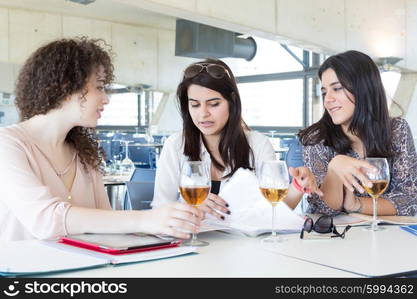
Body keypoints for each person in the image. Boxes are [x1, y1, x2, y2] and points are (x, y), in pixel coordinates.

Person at [0, 37, 203, 241]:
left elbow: (106, 226)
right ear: (66, 87)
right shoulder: (8, 144)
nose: (106, 98)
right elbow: (45, 220)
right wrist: (144, 219)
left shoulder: (84, 152)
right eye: (99, 86)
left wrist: (169, 222)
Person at [152, 58, 322, 219]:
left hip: (244, 245)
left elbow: (274, 211)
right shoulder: (175, 146)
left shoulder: (258, 145)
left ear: (232, 102)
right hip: (193, 243)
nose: (203, 113)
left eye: (214, 104)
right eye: (194, 104)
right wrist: (190, 208)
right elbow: (159, 210)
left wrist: (297, 186)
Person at [298, 50, 417, 216]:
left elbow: (410, 200)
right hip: (333, 238)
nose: (327, 99)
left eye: (337, 88)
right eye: (325, 91)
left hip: (385, 235)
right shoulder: (317, 138)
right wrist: (334, 168)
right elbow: (323, 210)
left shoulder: (397, 130)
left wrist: (356, 205)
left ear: (364, 89)